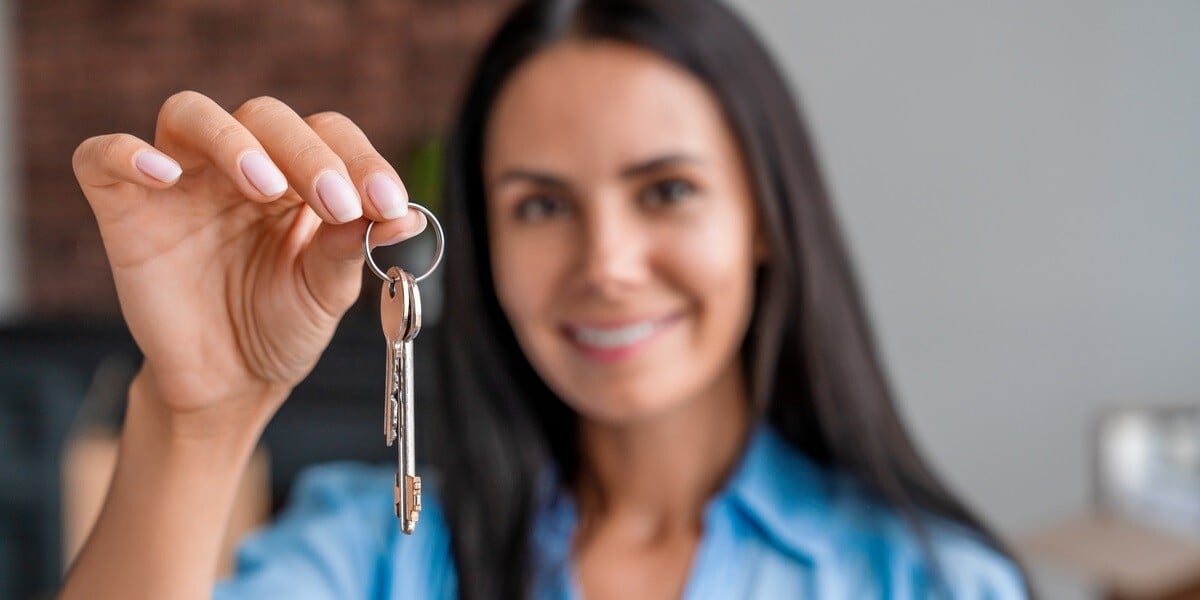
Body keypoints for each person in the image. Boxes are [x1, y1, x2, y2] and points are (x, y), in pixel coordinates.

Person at [61, 0, 1030, 598]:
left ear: (765, 217)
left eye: (667, 191)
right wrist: (198, 416)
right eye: (541, 205)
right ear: (486, 244)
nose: (605, 262)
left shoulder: (934, 583)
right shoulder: (373, 554)